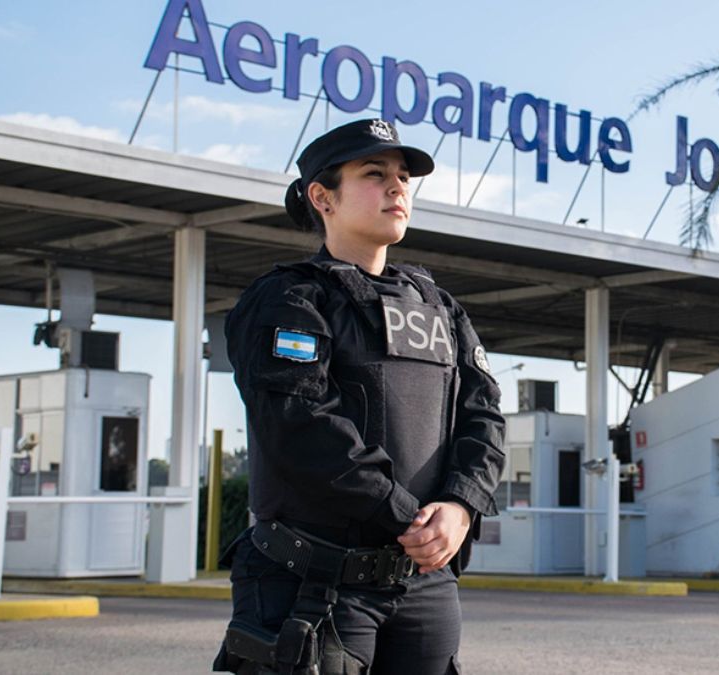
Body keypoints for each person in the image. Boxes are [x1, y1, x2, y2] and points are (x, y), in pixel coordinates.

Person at [212, 118, 506, 675]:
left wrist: (462, 506)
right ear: (322, 197)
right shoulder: (289, 299)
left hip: (423, 584)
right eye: (375, 174)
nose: (398, 187)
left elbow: (483, 415)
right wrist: (408, 517)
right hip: (314, 585)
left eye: (403, 176)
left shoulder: (438, 306)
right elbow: (301, 425)